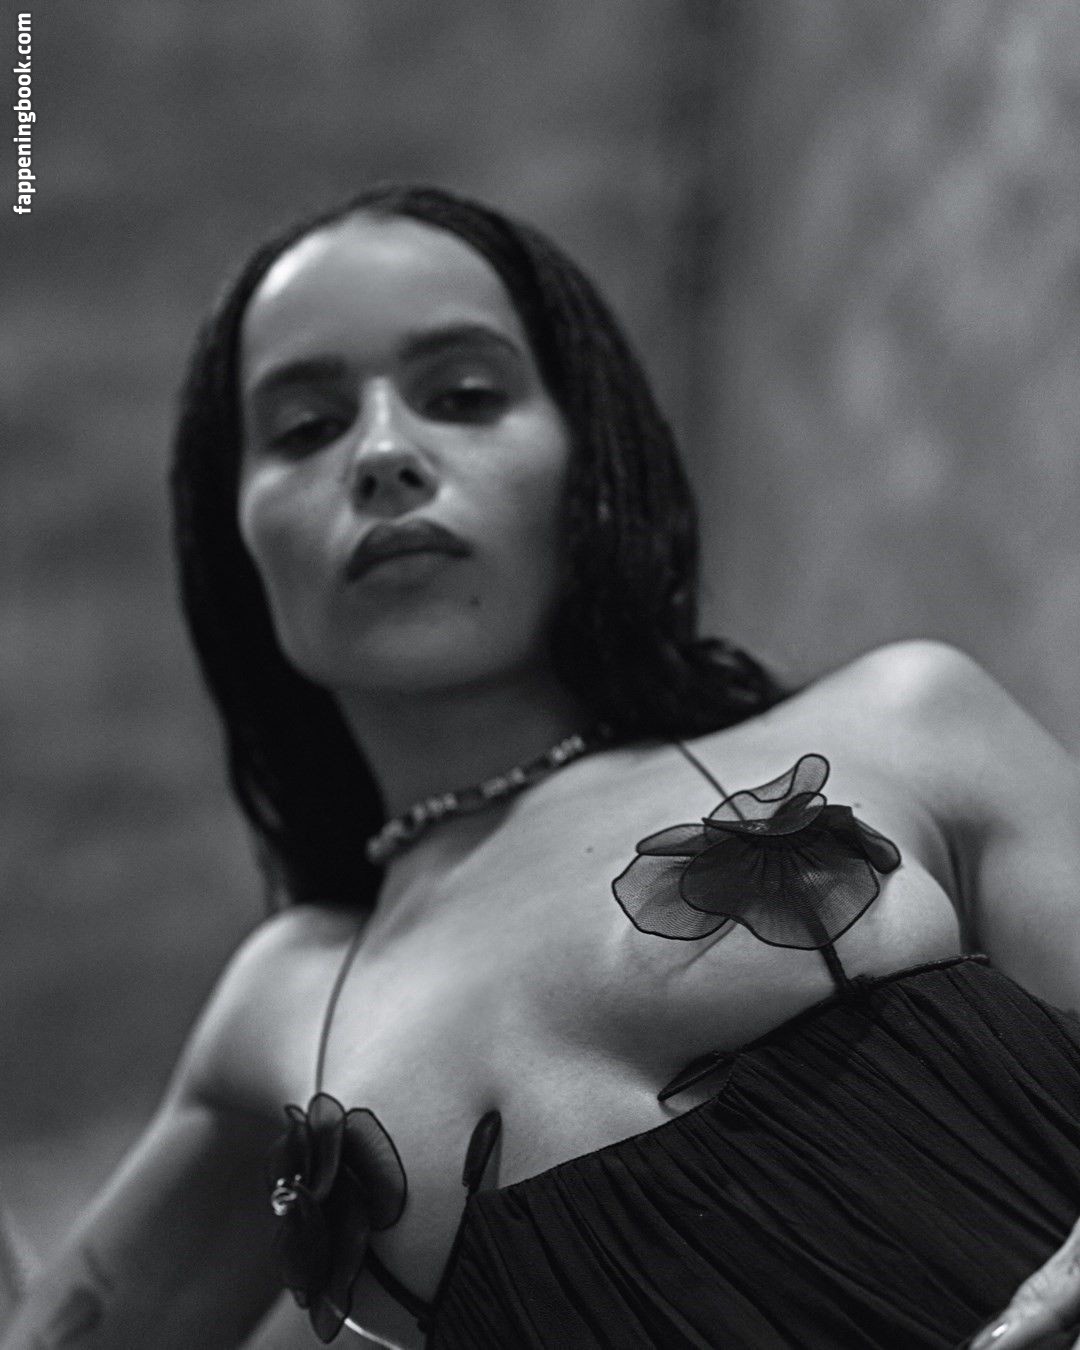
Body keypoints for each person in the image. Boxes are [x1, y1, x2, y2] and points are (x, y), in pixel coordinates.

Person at [3, 183, 1080, 1350]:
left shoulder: (908, 724)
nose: (382, 453)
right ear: (236, 543)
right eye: (306, 428)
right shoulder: (283, 1001)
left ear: (589, 457)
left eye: (463, 396)